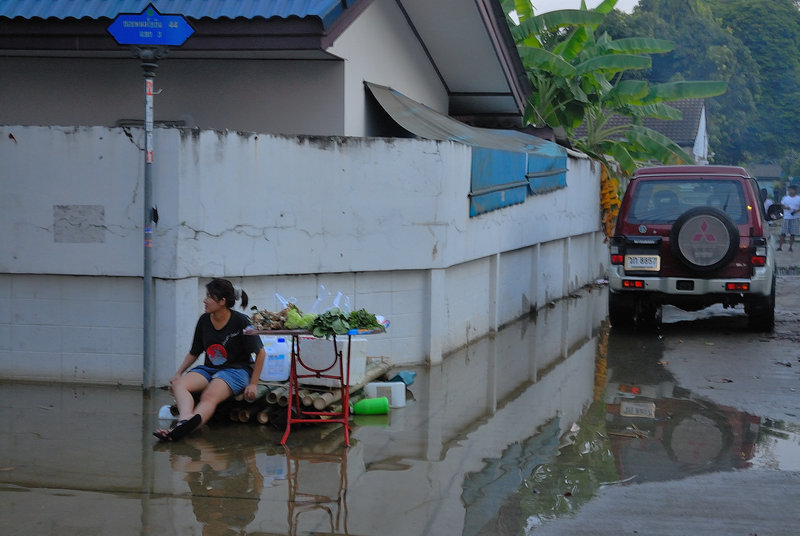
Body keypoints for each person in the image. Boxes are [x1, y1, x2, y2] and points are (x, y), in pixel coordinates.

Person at [154, 278, 265, 441]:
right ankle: (184, 421)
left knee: (209, 395)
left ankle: (184, 428)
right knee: (179, 384)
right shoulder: (204, 320)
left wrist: (253, 384)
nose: (204, 300)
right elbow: (194, 351)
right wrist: (178, 373)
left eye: (209, 297)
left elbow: (261, 353)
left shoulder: (242, 321)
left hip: (236, 371)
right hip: (210, 369)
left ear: (222, 301)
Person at [778, 184, 800, 252]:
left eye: (792, 190)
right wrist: (786, 207)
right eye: (790, 190)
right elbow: (781, 206)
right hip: (786, 217)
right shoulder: (785, 198)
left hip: (795, 217)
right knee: (783, 233)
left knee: (792, 234)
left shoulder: (798, 198)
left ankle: (790, 247)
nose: (791, 191)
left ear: (794, 191)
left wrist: (796, 210)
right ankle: (780, 247)